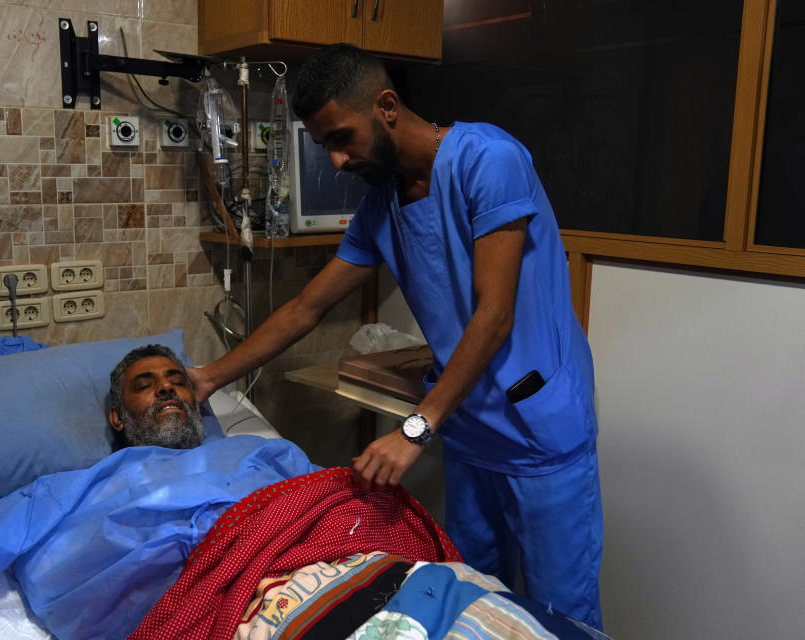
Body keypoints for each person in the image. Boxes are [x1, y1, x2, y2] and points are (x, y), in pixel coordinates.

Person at [188, 43, 603, 629]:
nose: (334, 161)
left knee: (565, 614)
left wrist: (415, 428)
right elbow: (306, 308)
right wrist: (208, 378)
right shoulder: (381, 205)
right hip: (469, 430)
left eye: (340, 137)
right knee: (475, 597)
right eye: (323, 145)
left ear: (386, 105)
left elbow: (494, 316)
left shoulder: (489, 160)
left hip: (539, 429)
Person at [108, 344, 204, 449]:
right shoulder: (116, 465)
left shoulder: (223, 450)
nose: (166, 386)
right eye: (144, 385)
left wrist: (208, 379)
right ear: (117, 417)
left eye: (178, 381)